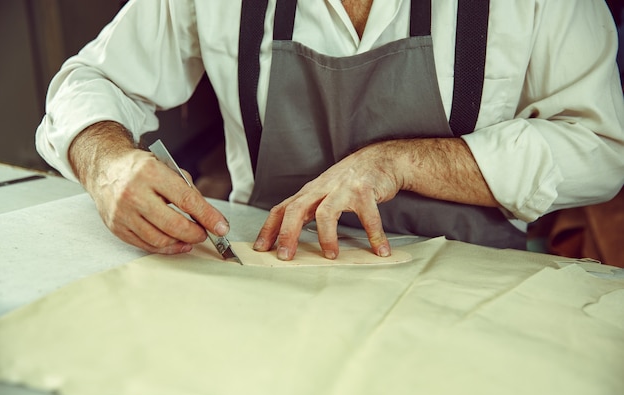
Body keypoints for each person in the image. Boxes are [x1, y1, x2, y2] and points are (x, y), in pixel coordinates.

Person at [36, 0, 624, 261]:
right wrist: (106, 161)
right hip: (273, 281)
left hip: (471, 292)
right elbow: (90, 79)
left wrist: (400, 162)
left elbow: (600, 147)